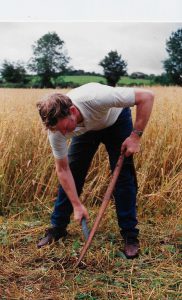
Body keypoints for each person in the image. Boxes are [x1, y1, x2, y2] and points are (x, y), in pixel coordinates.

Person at [36, 82, 154, 258]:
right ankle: (58, 228)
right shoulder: (58, 130)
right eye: (60, 131)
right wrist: (77, 205)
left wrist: (135, 136)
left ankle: (130, 235)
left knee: (123, 177)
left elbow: (147, 97)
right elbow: (62, 170)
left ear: (73, 111)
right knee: (73, 172)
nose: (65, 134)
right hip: (86, 129)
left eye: (66, 128)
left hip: (116, 121)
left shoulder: (96, 98)